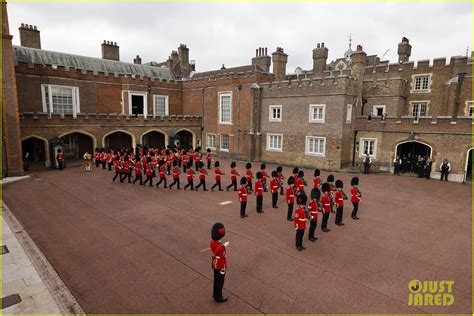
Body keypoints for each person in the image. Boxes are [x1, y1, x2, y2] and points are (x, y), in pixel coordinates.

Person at [210, 223, 229, 303]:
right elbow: (223, 254)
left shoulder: (212, 242)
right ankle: (218, 297)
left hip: (215, 264)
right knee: (220, 281)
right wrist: (223, 246)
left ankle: (215, 295)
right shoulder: (221, 247)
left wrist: (221, 245)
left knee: (216, 280)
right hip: (221, 265)